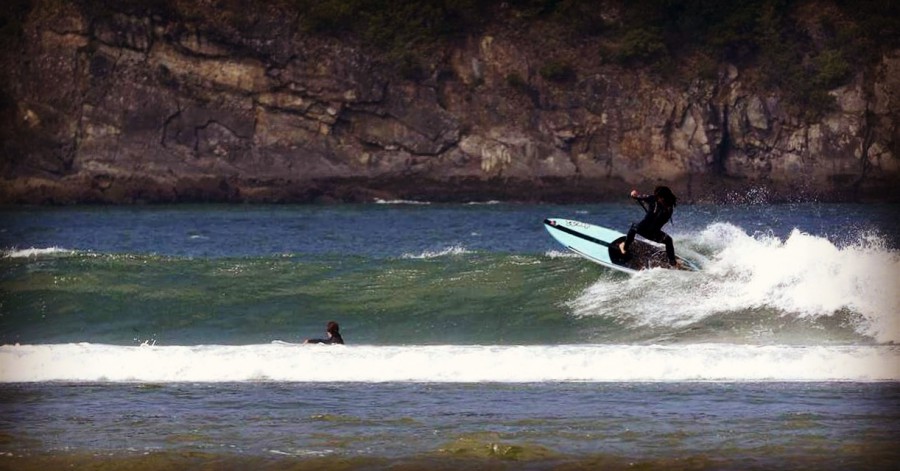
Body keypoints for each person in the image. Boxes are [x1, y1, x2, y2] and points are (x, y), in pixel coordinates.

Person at [619, 186, 678, 266]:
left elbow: (660, 221)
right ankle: (673, 262)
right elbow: (639, 197)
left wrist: (634, 195)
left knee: (634, 227)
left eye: (659, 197)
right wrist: (634, 195)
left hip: (647, 231)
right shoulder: (657, 200)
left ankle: (673, 262)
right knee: (668, 240)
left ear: (664, 197)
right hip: (652, 233)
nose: (658, 199)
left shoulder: (667, 207)